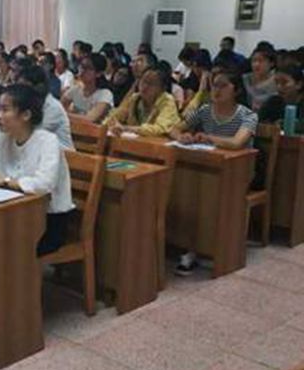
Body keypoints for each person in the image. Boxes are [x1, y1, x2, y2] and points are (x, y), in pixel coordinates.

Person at [0, 84, 74, 255]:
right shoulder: (3, 138)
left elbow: (44, 184)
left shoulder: (48, 141)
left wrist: (6, 181)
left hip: (49, 219)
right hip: (14, 211)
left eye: (5, 110)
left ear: (26, 115)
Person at [169, 70, 257, 275]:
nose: (216, 90)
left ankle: (207, 247)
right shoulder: (204, 110)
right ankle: (188, 245)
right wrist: (181, 137)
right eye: (214, 85)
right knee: (187, 189)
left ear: (236, 90)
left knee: (204, 195)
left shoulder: (248, 115)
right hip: (205, 167)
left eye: (223, 85)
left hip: (237, 173)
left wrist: (209, 138)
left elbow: (237, 143)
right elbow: (174, 128)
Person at [105, 65, 181, 136]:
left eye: (151, 83)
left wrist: (126, 128)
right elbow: (115, 117)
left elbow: (160, 128)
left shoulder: (167, 101)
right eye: (143, 81)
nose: (145, 86)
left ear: (163, 88)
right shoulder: (134, 99)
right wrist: (110, 125)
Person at [16, 62, 74, 150]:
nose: (20, 92)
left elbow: (32, 134)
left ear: (38, 87)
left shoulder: (53, 107)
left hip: (63, 154)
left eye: (24, 88)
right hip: (37, 150)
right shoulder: (30, 104)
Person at [61, 53, 113, 123]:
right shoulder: (76, 89)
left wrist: (63, 115)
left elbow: (90, 119)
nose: (82, 70)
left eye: (88, 68)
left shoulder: (105, 94)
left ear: (98, 73)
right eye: (81, 66)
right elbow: (59, 107)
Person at [259, 65, 304, 134]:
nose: (279, 87)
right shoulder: (273, 101)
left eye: (284, 82)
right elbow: (257, 121)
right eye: (276, 82)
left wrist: (282, 124)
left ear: (299, 84)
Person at [243, 42, 278, 111]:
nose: (256, 64)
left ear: (271, 63)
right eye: (254, 61)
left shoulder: (277, 81)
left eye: (261, 61)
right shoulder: (245, 79)